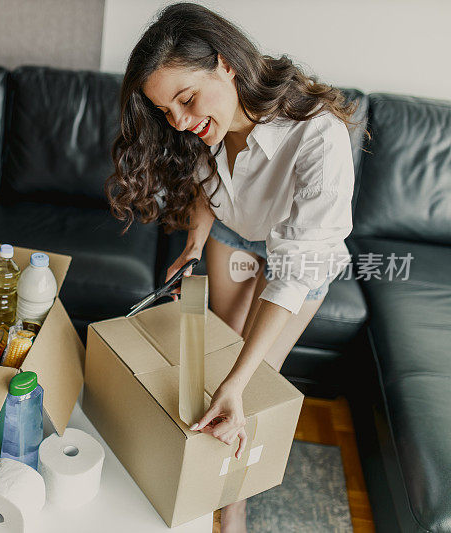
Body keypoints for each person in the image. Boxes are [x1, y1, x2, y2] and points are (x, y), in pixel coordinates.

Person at [106, 3, 361, 531]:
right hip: (234, 236)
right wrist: (195, 241)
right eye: (165, 111)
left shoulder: (318, 136)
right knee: (223, 352)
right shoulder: (205, 122)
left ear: (225, 64)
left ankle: (236, 499)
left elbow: (292, 272)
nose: (178, 121)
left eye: (186, 99)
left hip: (300, 258)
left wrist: (239, 382)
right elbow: (208, 187)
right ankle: (205, 475)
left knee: (253, 380)